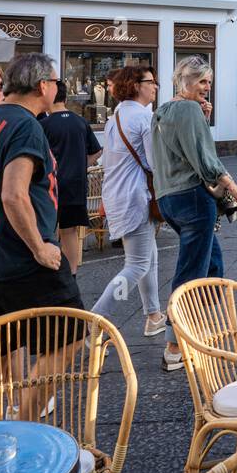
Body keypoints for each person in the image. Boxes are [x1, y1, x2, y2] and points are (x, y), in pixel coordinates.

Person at [152, 55, 237, 372]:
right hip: (192, 198)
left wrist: (202, 119)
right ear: (185, 80)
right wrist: (234, 188)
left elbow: (181, 149)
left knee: (213, 263)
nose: (207, 88)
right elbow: (204, 159)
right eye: (202, 81)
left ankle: (195, 328)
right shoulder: (188, 109)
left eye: (209, 81)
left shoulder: (163, 110)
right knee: (191, 271)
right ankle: (174, 344)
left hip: (169, 199)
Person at [0, 54, 86, 325]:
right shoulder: (26, 125)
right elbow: (13, 194)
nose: (57, 88)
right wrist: (39, 248)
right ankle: (39, 373)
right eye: (56, 81)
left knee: (4, 348)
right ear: (43, 86)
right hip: (26, 259)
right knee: (70, 337)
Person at [91, 66, 166, 337]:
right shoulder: (145, 118)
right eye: (151, 81)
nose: (155, 86)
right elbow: (155, 163)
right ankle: (94, 322)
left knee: (149, 256)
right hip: (135, 197)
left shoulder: (118, 115)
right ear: (136, 86)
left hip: (117, 195)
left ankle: (154, 315)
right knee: (136, 265)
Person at [39, 80, 101, 274]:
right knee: (70, 232)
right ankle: (71, 273)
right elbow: (97, 151)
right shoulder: (80, 121)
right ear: (65, 98)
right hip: (76, 185)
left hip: (51, 186)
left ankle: (51, 272)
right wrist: (81, 165)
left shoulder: (43, 124)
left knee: (46, 230)